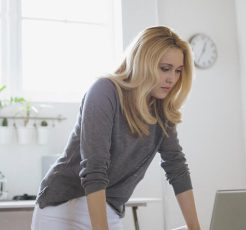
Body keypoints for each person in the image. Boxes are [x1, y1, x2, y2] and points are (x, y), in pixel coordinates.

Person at [31, 26, 201, 230]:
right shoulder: (104, 91)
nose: (172, 78)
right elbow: (94, 168)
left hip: (109, 208)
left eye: (178, 71)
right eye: (165, 68)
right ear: (143, 62)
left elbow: (176, 167)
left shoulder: (162, 110)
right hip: (64, 207)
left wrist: (195, 228)